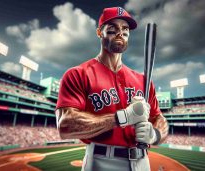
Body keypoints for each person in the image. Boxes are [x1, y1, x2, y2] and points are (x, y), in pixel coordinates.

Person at [55, 7, 168, 171]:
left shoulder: (143, 81)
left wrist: (155, 134)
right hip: (101, 161)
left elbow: (159, 119)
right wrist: (123, 117)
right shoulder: (78, 74)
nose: (120, 32)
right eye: (113, 28)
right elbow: (66, 126)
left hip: (142, 162)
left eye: (125, 29)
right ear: (99, 32)